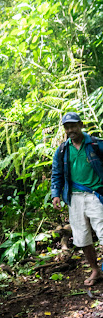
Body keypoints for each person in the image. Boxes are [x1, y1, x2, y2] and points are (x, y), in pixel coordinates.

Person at [51, 112, 103, 286]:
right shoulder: (62, 150)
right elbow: (57, 174)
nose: (70, 130)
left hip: (96, 195)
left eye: (73, 126)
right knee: (82, 237)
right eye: (67, 127)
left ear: (80, 125)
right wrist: (56, 194)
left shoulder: (96, 144)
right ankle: (95, 270)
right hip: (74, 198)